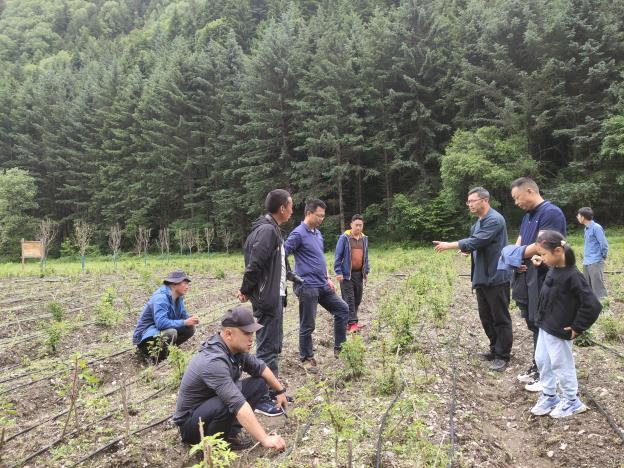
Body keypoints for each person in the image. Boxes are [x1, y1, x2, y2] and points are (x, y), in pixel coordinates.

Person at [173, 306, 287, 451]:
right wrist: (265, 439)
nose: (251, 338)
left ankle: (230, 433)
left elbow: (261, 368)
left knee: (258, 383)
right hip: (191, 426)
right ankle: (215, 445)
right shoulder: (214, 361)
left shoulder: (234, 349)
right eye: (246, 333)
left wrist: (280, 390)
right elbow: (237, 403)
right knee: (229, 400)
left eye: (252, 333)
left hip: (209, 408)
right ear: (228, 334)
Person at [434, 187, 512, 371]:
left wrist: (450, 245)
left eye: (472, 201)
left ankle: (503, 355)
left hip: (496, 276)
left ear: (484, 200)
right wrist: (467, 249)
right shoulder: (478, 223)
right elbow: (476, 242)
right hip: (481, 276)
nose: (469, 204)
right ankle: (494, 349)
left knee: (500, 317)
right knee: (486, 316)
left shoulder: (494, 219)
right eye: (468, 201)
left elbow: (476, 241)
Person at [529, 230, 601, 418]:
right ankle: (550, 395)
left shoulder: (573, 276)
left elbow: (592, 304)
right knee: (543, 360)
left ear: (559, 251)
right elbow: (554, 284)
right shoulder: (554, 269)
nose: (541, 257)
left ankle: (571, 400)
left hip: (559, 329)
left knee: (561, 364)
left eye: (544, 254)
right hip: (545, 325)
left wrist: (577, 327)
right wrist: (542, 267)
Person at [237, 189, 293, 417]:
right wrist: (245, 289)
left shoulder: (272, 230)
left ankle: (272, 391)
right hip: (267, 299)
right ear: (282, 208)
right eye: (291, 205)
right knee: (266, 348)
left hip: (273, 296)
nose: (292, 210)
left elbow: (278, 266)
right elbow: (255, 264)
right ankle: (260, 398)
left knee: (273, 346)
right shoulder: (268, 231)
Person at [510, 177, 566, 392]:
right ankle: (538, 365)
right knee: (533, 321)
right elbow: (521, 239)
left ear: (530, 191)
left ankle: (548, 374)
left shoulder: (550, 213)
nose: (516, 202)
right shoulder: (528, 216)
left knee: (545, 323)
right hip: (527, 276)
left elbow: (542, 245)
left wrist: (514, 254)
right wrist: (515, 256)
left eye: (518, 197)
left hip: (545, 276)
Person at [284, 199, 349, 373]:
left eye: (323, 216)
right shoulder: (298, 234)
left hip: (322, 284)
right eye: (319, 215)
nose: (322, 219)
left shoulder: (317, 234)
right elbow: (282, 253)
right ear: (309, 213)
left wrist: (327, 277)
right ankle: (306, 357)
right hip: (307, 286)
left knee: (342, 309)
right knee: (308, 324)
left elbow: (318, 258)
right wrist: (291, 275)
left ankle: (340, 349)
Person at [132, 270, 199, 362]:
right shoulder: (161, 298)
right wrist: (184, 322)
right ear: (174, 284)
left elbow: (183, 315)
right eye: (185, 283)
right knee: (171, 333)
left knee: (190, 328)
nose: (187, 287)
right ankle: (154, 356)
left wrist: (191, 319)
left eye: (188, 284)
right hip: (145, 337)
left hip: (158, 331)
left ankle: (167, 351)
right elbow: (161, 323)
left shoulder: (178, 297)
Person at [334, 214, 370, 333]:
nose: (358, 228)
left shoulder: (364, 238)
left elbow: (366, 257)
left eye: (360, 225)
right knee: (349, 298)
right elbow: (338, 256)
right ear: (351, 225)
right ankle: (352, 323)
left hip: (358, 274)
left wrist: (366, 272)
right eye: (356, 225)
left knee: (357, 298)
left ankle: (348, 322)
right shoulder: (344, 238)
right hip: (346, 274)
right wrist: (338, 272)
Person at [576, 207, 609, 300]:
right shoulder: (586, 229)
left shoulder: (596, 228)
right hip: (587, 262)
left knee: (598, 287)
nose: (577, 217)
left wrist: (602, 257)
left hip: (596, 261)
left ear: (583, 217)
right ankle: (593, 309)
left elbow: (604, 244)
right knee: (588, 287)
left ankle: (604, 309)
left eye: (578, 215)